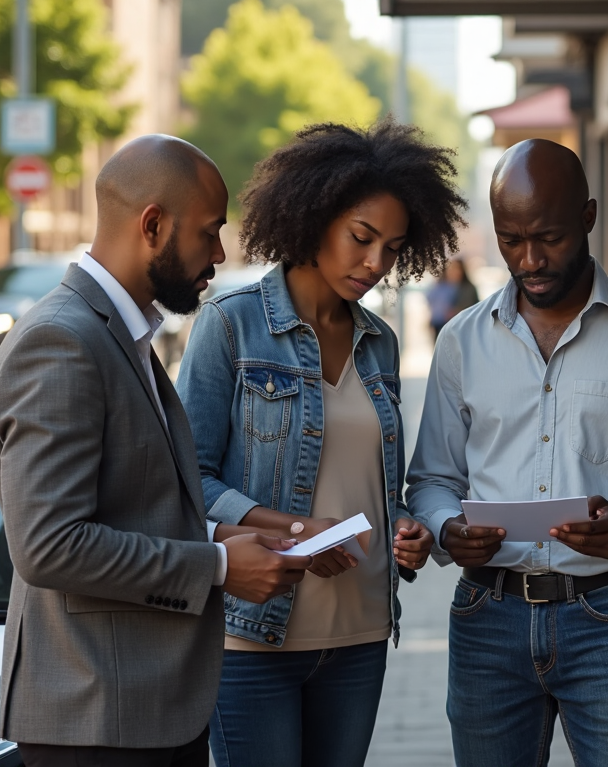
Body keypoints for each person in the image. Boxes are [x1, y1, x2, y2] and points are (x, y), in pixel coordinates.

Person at [0, 135, 314, 767]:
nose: (220, 253)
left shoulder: (120, 334)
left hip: (144, 712)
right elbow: (50, 545)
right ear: (154, 224)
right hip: (96, 721)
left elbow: (136, 503)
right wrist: (217, 566)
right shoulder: (60, 341)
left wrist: (229, 539)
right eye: (210, 232)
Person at [406, 138, 608, 766]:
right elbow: (432, 478)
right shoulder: (461, 342)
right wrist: (447, 527)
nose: (529, 259)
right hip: (485, 618)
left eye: (548, 237)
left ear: (588, 216)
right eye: (510, 240)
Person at [176, 121, 469, 767]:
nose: (375, 263)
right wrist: (298, 529)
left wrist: (408, 528)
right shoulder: (231, 325)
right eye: (361, 238)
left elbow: (374, 486)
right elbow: (187, 480)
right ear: (312, 218)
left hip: (361, 633)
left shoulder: (381, 344)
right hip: (254, 638)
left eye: (392, 248)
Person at [426, 258, 479, 339]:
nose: (453, 272)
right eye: (450, 269)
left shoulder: (468, 288)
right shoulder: (440, 287)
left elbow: (472, 308)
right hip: (440, 325)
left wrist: (454, 311)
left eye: (456, 268)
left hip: (461, 328)